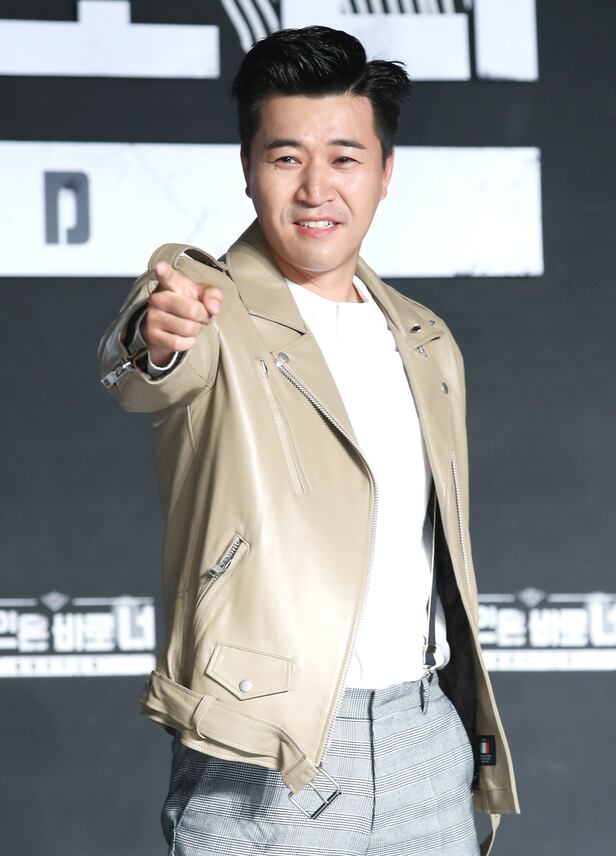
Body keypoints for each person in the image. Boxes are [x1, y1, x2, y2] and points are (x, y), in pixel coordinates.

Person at [97, 25, 520, 856]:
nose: (316, 187)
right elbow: (148, 364)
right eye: (286, 157)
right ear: (248, 168)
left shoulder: (426, 338)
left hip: (424, 742)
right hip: (263, 751)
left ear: (386, 172)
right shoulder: (208, 301)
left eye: (345, 157)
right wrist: (155, 337)